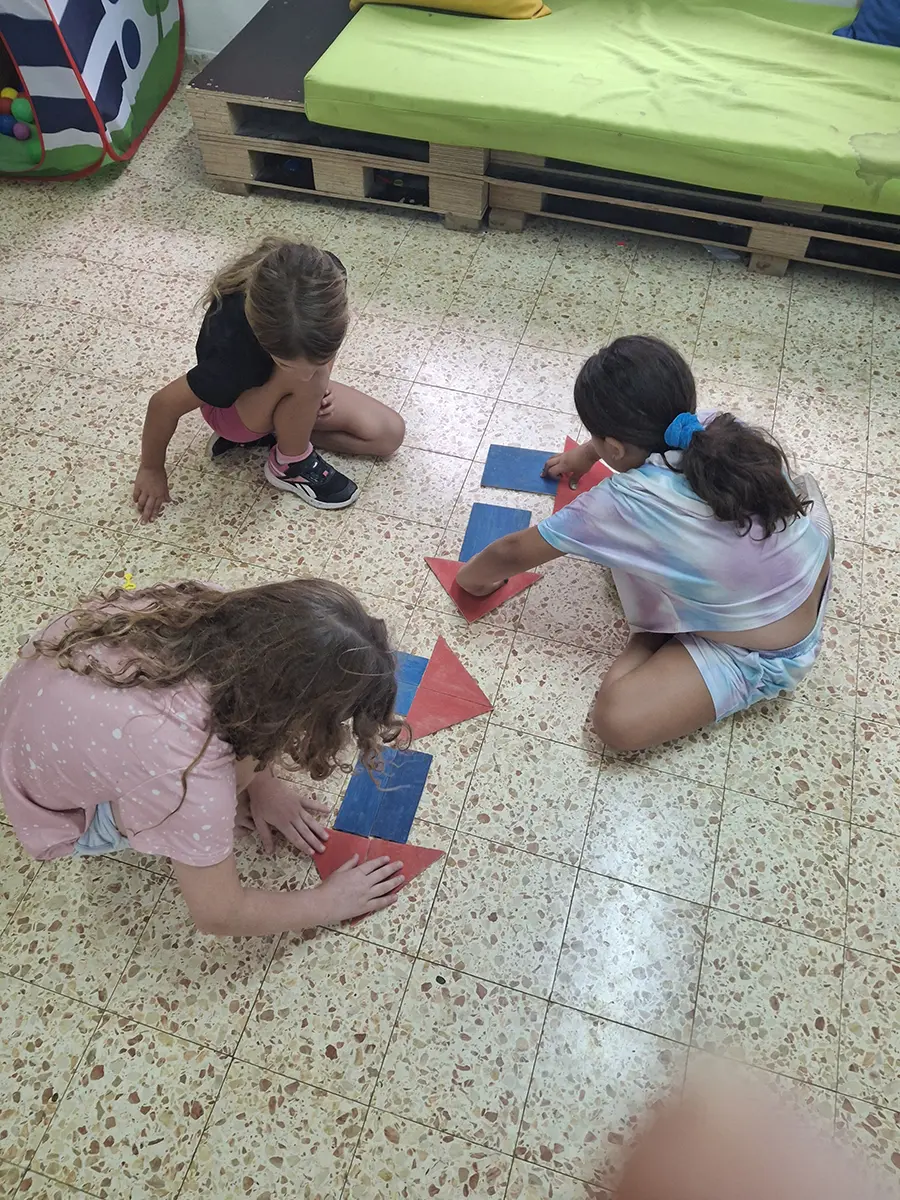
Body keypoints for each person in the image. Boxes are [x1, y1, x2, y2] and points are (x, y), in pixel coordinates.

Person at [456, 336, 834, 752]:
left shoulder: (619, 504)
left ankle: (660, 631)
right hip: (810, 567)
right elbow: (634, 446)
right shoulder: (714, 427)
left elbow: (511, 552)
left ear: (615, 447)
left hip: (767, 651)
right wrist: (588, 454)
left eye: (597, 439)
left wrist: (472, 580)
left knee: (616, 722)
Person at [0, 579, 407, 935]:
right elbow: (219, 914)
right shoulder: (188, 776)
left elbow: (253, 700)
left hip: (37, 711)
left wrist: (264, 787)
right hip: (54, 810)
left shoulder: (207, 603)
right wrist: (328, 903)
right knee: (205, 789)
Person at [132, 239, 405, 521]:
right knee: (306, 381)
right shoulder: (234, 353)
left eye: (321, 358)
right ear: (260, 338)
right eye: (287, 363)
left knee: (388, 435)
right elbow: (163, 403)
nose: (307, 373)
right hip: (232, 412)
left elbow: (309, 367)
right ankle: (290, 464)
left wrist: (317, 382)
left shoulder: (326, 281)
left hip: (277, 391)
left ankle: (280, 434)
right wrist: (152, 468)